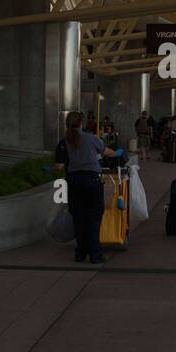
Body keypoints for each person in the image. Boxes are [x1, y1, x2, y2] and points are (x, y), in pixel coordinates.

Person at [52, 110, 117, 264]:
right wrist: (116, 152)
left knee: (79, 219)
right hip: (92, 181)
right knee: (94, 219)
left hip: (74, 182)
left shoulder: (64, 141)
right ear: (81, 123)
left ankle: (80, 254)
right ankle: (95, 256)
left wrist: (50, 169)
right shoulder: (91, 138)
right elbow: (106, 152)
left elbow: (59, 165)